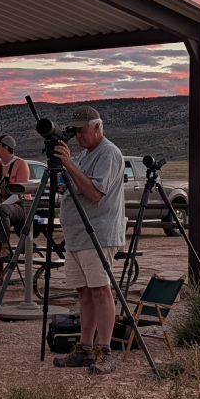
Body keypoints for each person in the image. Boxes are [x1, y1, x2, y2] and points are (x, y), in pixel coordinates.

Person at [52, 105, 126, 376]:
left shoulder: (108, 153)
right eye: (75, 131)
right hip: (77, 235)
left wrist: (69, 164)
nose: (78, 135)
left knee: (100, 290)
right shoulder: (83, 156)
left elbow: (96, 192)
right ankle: (84, 348)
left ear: (97, 127)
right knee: (84, 292)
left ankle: (105, 350)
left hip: (98, 232)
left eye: (82, 130)